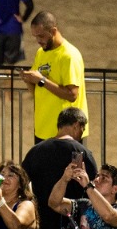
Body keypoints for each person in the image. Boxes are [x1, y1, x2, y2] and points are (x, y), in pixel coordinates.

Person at [20, 13, 86, 144]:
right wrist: (28, 80)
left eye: (41, 36)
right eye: (35, 36)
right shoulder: (41, 53)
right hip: (43, 129)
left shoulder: (69, 56)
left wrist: (42, 81)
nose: (38, 40)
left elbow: (72, 95)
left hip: (66, 133)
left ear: (53, 31)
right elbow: (37, 92)